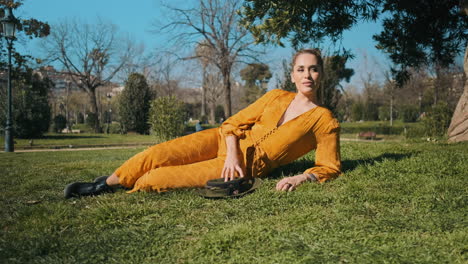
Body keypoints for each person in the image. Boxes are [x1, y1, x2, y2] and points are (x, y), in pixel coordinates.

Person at [64, 48, 341, 198]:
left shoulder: (324, 120)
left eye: (314, 68)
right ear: (292, 75)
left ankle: (127, 185)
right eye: (301, 69)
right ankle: (103, 185)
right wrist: (231, 152)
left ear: (321, 74)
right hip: (222, 142)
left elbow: (330, 166)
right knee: (156, 154)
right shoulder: (275, 96)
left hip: (242, 168)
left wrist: (301, 177)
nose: (308, 75)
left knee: (156, 178)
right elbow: (232, 123)